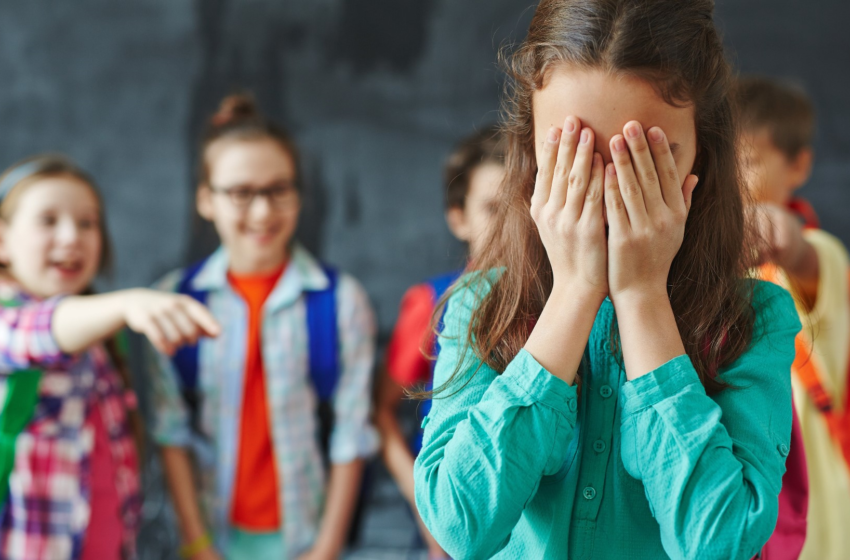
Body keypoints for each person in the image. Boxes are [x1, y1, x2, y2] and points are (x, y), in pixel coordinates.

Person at [412, 1, 802, 558]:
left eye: (645, 159)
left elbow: (719, 540)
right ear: (531, 151)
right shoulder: (483, 304)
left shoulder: (753, 319)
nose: (608, 190)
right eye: (575, 155)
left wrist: (643, 296)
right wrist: (573, 293)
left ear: (703, 157)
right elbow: (459, 525)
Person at [148, 94, 379, 560]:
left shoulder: (340, 302)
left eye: (278, 190)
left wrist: (327, 547)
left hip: (306, 535)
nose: (262, 212)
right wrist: (197, 544)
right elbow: (171, 433)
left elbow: (351, 433)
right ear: (205, 200)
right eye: (240, 192)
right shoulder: (175, 303)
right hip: (213, 533)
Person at [0, 155, 219, 560]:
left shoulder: (100, 336)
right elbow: (39, 330)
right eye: (48, 220)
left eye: (87, 222)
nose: (71, 237)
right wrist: (127, 303)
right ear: (2, 241)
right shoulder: (12, 319)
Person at [376, 126, 505, 559]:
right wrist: (427, 507)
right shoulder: (433, 302)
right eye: (493, 209)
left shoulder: (566, 305)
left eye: (524, 207)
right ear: (458, 216)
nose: (511, 226)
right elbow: (382, 412)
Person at [736, 76, 850, 560]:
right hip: (745, 510)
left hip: (819, 517)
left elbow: (807, 257)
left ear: (799, 165)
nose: (733, 178)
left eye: (748, 161)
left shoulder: (819, 254)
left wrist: (786, 237)